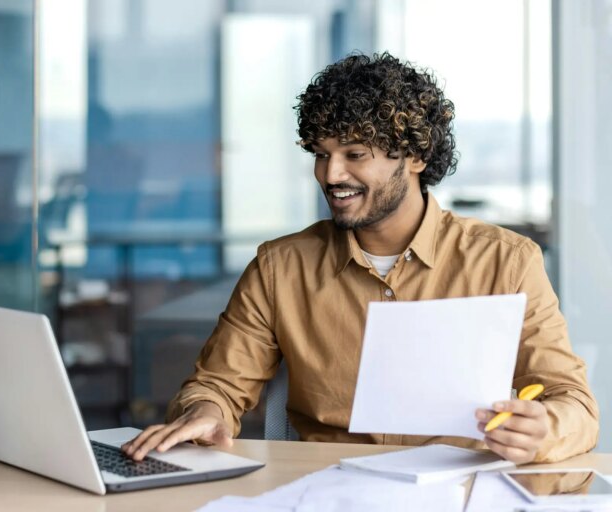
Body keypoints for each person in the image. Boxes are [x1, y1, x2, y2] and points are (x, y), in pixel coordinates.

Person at [123, 52, 599, 465]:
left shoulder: (506, 261)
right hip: (323, 490)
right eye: (321, 153)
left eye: (355, 153)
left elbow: (573, 403)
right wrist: (205, 413)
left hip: (462, 493)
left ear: (414, 157)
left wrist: (545, 428)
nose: (332, 174)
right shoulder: (279, 267)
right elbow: (217, 386)